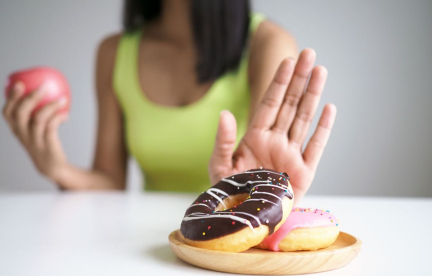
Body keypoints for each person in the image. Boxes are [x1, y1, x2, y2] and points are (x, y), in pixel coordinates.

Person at [2, 0, 336, 203]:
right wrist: (55, 168)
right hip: (146, 245)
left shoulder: (267, 44)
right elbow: (109, 183)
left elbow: (270, 174)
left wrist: (266, 187)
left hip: (237, 241)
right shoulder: (114, 52)